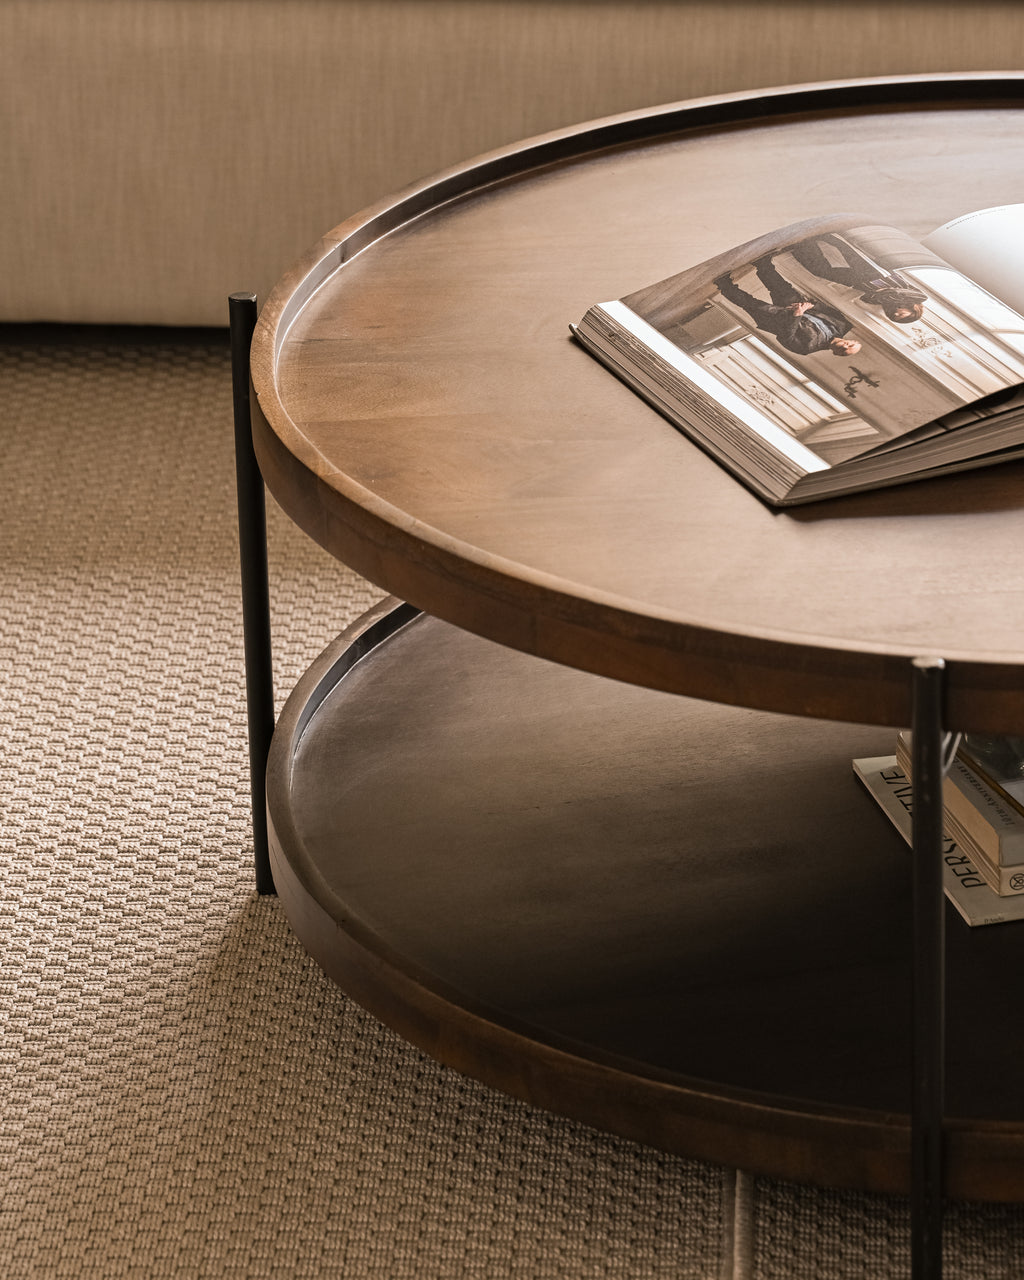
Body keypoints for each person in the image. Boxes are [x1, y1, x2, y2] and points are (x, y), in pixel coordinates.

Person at [714, 257, 862, 357]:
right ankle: (763, 264)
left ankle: (724, 284)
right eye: (851, 344)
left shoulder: (807, 348)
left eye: (845, 349)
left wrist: (797, 315)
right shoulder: (842, 326)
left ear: (836, 353)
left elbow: (785, 337)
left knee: (749, 303)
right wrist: (809, 305)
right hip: (799, 306)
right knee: (781, 287)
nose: (846, 344)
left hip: (778, 320)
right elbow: (829, 311)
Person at [790, 233, 926, 324]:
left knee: (820, 271)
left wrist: (884, 294)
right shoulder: (918, 297)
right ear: (912, 312)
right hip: (876, 274)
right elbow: (894, 292)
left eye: (895, 317)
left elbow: (866, 298)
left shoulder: (887, 303)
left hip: (857, 282)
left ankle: (803, 247)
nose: (896, 314)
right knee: (848, 252)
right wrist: (883, 294)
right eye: (901, 315)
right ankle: (829, 235)